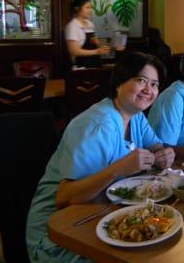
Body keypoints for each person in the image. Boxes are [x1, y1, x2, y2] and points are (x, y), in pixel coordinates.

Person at [26, 53, 175, 262]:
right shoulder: (96, 126)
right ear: (118, 83)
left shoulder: (136, 116)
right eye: (141, 80)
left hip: (102, 213)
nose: (148, 90)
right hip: (58, 234)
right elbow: (65, 198)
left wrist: (164, 154)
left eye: (154, 84)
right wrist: (119, 168)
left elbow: (157, 146)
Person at [65, 0, 110, 68]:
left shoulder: (90, 24)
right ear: (77, 8)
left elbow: (95, 42)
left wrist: (103, 46)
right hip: (81, 67)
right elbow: (73, 51)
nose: (90, 10)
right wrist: (96, 51)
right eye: (87, 7)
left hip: (95, 64)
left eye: (91, 7)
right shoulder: (72, 26)